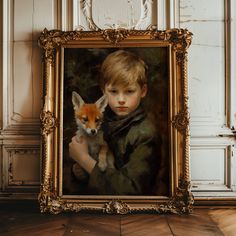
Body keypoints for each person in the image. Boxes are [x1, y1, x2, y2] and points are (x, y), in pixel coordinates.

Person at [69, 50, 158, 195]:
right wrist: (79, 172)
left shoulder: (145, 134)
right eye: (114, 91)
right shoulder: (103, 120)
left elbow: (132, 189)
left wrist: (85, 160)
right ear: (103, 91)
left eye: (129, 91)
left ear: (143, 91)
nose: (121, 99)